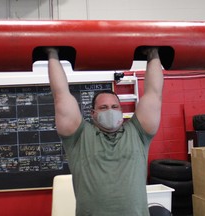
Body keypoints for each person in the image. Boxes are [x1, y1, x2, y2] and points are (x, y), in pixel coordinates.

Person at [46, 47, 163, 216]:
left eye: (115, 107)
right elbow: (60, 95)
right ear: (93, 114)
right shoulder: (79, 137)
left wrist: (153, 53)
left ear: (122, 112)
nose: (110, 110)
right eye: (103, 107)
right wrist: (52, 53)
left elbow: (154, 94)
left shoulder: (138, 133)